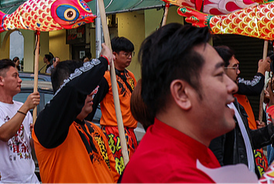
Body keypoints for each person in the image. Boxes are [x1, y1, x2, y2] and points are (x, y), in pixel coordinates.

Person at [120, 23, 237, 184]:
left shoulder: (191, 150)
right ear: (181, 93)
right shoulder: (174, 175)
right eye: (219, 75)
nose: (232, 86)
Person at [33, 47, 118, 184]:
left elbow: (113, 174)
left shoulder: (94, 130)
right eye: (88, 88)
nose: (92, 93)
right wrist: (103, 61)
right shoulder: (49, 127)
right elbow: (72, 89)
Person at [209, 46, 274, 176]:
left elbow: (247, 139)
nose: (239, 72)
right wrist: (261, 70)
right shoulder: (213, 111)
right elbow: (216, 162)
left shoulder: (234, 104)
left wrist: (272, 128)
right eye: (235, 67)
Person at [0, 59, 40, 184]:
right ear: (0, 80)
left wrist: (37, 134)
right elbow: (3, 134)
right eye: (15, 76)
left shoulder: (22, 107)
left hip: (30, 179)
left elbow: (31, 147)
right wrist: (25, 107)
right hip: (6, 181)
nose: (20, 80)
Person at [94, 36, 138, 175]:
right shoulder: (106, 77)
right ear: (114, 54)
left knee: (131, 171)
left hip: (130, 131)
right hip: (114, 132)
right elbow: (94, 102)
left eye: (131, 54)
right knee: (118, 173)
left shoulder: (130, 76)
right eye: (125, 54)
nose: (129, 57)